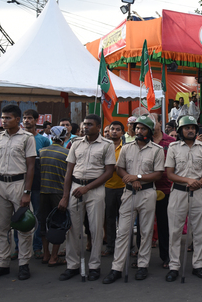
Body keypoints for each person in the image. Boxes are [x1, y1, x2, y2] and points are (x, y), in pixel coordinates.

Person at [102, 116, 165, 284]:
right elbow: (119, 168)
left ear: (150, 131)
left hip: (147, 193)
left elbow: (158, 173)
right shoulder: (127, 148)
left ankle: (143, 265)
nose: (138, 131)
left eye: (143, 128)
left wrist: (137, 176)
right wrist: (131, 179)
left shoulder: (157, 150)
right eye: (137, 128)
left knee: (145, 231)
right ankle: (117, 268)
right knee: (123, 231)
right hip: (129, 192)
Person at [0, 105, 36, 281]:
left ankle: (24, 264)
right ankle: (2, 264)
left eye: (7, 118)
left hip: (19, 184)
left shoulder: (27, 138)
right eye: (2, 118)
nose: (3, 121)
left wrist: (27, 192)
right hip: (0, 185)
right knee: (1, 227)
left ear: (17, 119)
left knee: (24, 227)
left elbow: (31, 166)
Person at [58, 114, 116, 282]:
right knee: (73, 229)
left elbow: (109, 172)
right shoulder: (75, 144)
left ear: (98, 127)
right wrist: (64, 196)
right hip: (75, 188)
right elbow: (69, 171)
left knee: (96, 228)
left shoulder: (107, 145)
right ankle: (72, 265)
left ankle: (94, 266)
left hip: (95, 189)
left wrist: (87, 188)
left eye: (90, 124)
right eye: (84, 124)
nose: (85, 127)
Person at [164, 115, 202, 282]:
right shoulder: (173, 147)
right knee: (175, 231)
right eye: (187, 128)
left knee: (199, 231)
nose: (191, 130)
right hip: (178, 192)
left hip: (199, 192)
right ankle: (174, 266)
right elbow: (170, 173)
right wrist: (188, 181)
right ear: (180, 130)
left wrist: (199, 182)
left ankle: (198, 265)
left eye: (193, 128)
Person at [22, 109, 51, 259]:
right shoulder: (20, 139)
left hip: (39, 183)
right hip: (21, 183)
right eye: (25, 118)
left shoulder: (43, 140)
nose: (26, 121)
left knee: (39, 216)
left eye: (29, 118)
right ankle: (19, 248)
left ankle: (38, 246)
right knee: (20, 215)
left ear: (36, 120)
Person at [38, 126, 69, 266]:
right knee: (57, 224)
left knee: (43, 223)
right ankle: (54, 257)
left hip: (43, 192)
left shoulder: (42, 152)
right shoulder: (67, 153)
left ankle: (46, 254)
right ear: (64, 138)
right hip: (59, 193)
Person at [151, 113, 175, 269]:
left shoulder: (172, 142)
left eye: (153, 122)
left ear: (160, 123)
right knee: (143, 226)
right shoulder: (143, 142)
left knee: (164, 225)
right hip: (146, 188)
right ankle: (141, 256)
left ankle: (166, 256)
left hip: (166, 189)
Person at [102, 121, 126, 257]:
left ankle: (126, 247)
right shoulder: (104, 147)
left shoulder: (127, 147)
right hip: (108, 187)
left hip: (123, 187)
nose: (114, 131)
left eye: (118, 129)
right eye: (112, 129)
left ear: (122, 132)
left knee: (124, 220)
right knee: (109, 219)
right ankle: (110, 247)